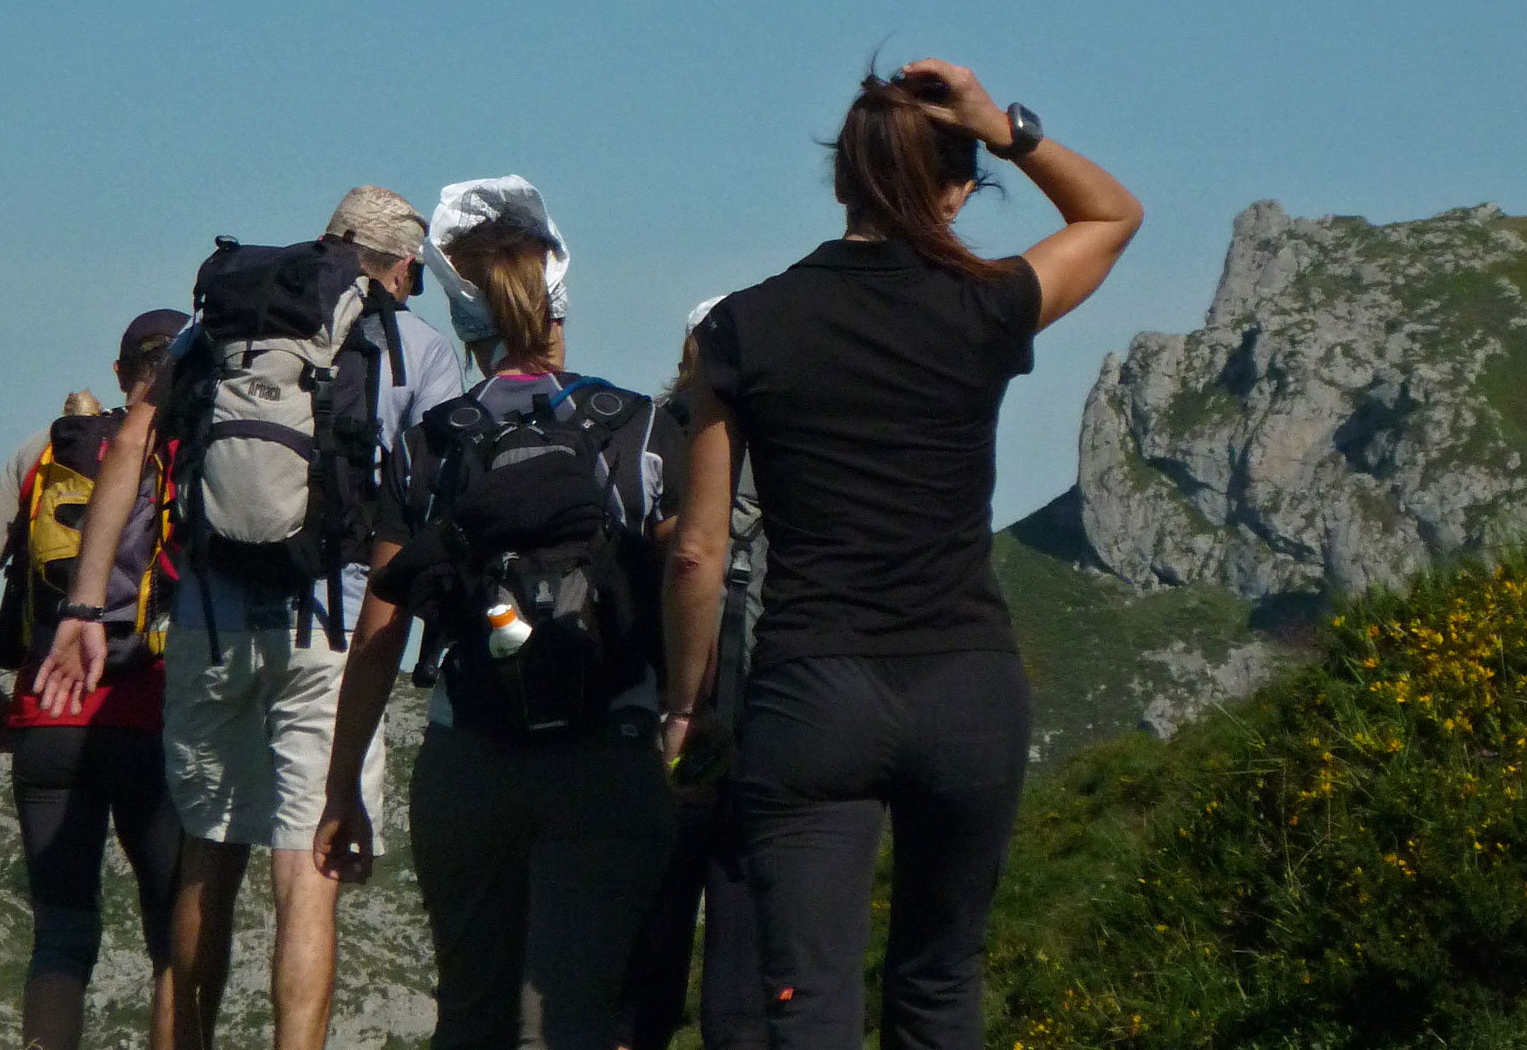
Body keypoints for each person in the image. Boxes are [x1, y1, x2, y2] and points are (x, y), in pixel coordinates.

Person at [663, 59, 1142, 1049]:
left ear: (840, 182)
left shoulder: (738, 329)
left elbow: (698, 553)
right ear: (959, 192)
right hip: (967, 685)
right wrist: (1002, 124)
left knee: (809, 996)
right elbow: (1111, 218)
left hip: (814, 692)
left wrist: (685, 707)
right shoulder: (983, 305)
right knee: (938, 985)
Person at [35, 187, 463, 1050]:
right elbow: (432, 507)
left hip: (208, 619)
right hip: (332, 628)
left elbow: (132, 450)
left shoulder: (222, 329)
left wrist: (85, 604)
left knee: (205, 855)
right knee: (307, 871)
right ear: (402, 265)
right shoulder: (414, 346)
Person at [313, 176, 682, 1049]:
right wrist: (691, 715)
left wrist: (341, 790)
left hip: (469, 759)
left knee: (471, 1016)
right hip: (608, 754)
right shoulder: (637, 429)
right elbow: (691, 573)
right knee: (572, 1017)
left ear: (464, 320)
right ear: (559, 303)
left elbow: (382, 629)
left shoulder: (432, 443)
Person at [0, 309, 188, 1050]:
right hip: (157, 718)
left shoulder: (44, 453)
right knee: (175, 939)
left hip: (48, 719)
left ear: (119, 374)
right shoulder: (189, 455)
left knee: (62, 936)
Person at [615, 298, 767, 1050]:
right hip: (758, 698)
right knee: (740, 921)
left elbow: (676, 554)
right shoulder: (779, 437)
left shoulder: (656, 429)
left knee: (649, 938)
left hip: (666, 700)